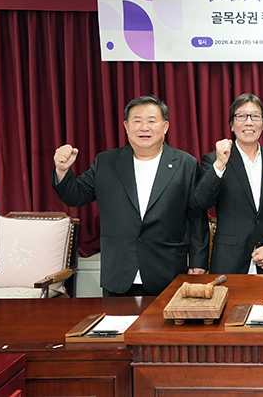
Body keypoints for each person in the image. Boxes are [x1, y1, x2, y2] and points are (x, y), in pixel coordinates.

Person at [52, 95, 207, 296]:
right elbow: (76, 196)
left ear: (165, 126)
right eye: (137, 121)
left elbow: (196, 216)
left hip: (168, 272)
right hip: (119, 273)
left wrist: (198, 261)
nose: (144, 127)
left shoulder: (186, 164)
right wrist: (62, 170)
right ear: (126, 126)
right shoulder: (106, 162)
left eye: (151, 121)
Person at [191, 93, 263, 274]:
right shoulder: (215, 160)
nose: (248, 122)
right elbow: (201, 202)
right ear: (232, 124)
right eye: (241, 116)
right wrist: (219, 165)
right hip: (228, 262)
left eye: (255, 116)